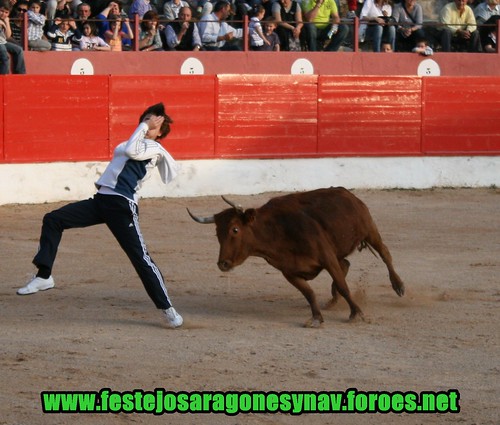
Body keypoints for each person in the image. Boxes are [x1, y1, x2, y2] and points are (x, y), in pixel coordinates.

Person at [16, 102, 184, 330]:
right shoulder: (132, 141)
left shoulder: (153, 148)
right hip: (102, 201)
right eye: (146, 120)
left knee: (140, 258)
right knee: (53, 219)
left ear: (160, 133)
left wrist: (145, 128)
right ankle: (44, 276)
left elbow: (132, 151)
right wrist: (144, 126)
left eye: (154, 124)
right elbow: (128, 149)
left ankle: (167, 308)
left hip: (122, 206)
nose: (147, 125)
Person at [0, 1, 26, 74]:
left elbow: (8, 36)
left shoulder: (5, 19)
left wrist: (7, 23)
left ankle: (20, 74)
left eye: (6, 12)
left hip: (3, 41)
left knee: (19, 50)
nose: (3, 14)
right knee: (4, 53)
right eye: (1, 11)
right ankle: (4, 76)